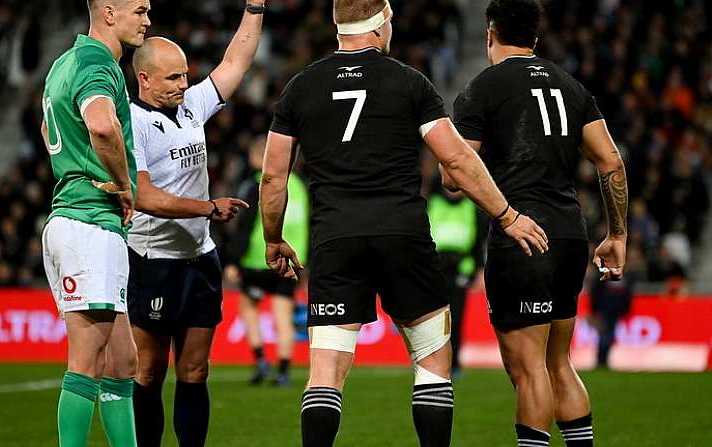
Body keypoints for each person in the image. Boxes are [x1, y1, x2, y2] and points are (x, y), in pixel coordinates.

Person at [260, 1, 548, 445]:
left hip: (336, 238)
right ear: (381, 24)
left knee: (325, 373)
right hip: (403, 235)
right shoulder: (409, 82)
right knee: (432, 361)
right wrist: (507, 216)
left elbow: (273, 176)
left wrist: (274, 238)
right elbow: (455, 157)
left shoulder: (301, 87)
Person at [451, 0, 629, 445]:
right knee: (558, 362)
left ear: (489, 33)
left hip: (522, 238)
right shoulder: (570, 86)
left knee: (529, 371)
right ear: (535, 37)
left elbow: (454, 177)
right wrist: (618, 235)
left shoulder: (481, 89)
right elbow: (610, 161)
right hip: (571, 234)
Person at [125, 2, 265, 445]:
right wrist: (207, 208)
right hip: (152, 259)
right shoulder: (132, 123)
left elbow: (236, 60)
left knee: (196, 369)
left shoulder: (189, 107)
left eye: (186, 75)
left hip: (199, 258)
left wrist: (255, 7)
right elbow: (144, 197)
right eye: (173, 78)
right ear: (143, 78)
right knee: (148, 369)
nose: (185, 84)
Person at [40, 0, 150, 445]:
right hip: (87, 221)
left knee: (123, 361)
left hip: (86, 223)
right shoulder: (95, 63)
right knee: (85, 359)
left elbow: (50, 132)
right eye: (140, 10)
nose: (148, 19)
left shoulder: (64, 63)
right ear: (109, 12)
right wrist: (124, 184)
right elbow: (102, 127)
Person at [224, 136, 309, 387]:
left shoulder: (258, 184)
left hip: (258, 259)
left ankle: (261, 360)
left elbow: (245, 227)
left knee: (249, 307)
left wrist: (233, 260)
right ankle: (283, 370)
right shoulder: (301, 187)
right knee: (283, 315)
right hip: (292, 262)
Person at [426, 181, 487, 377]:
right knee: (432, 319)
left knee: (456, 319)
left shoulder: (472, 209)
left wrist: (479, 270)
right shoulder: (431, 204)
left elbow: (479, 243)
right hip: (435, 268)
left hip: (461, 269)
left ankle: (455, 364)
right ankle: (432, 362)